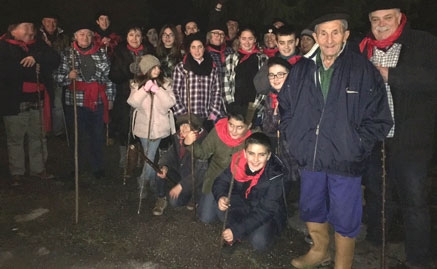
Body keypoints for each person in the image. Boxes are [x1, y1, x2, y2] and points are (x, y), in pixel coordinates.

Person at [278, 11, 393, 268]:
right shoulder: (301, 69)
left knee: (345, 214)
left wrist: (357, 145)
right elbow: (285, 106)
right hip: (311, 156)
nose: (329, 39)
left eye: (335, 32)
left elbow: (380, 118)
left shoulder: (362, 70)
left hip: (345, 159)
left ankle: (343, 262)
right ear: (315, 36)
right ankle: (320, 251)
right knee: (311, 206)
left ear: (346, 35)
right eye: (323, 33)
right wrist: (294, 136)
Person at [359, 3, 437, 268]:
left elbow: (431, 78)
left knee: (414, 201)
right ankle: (377, 240)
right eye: (375, 19)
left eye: (387, 18)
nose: (381, 24)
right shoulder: (364, 49)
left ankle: (418, 258)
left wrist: (389, 74)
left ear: (400, 18)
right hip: (376, 139)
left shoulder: (423, 42)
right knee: (378, 193)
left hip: (411, 141)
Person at [0, 19, 60, 185]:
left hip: (37, 99)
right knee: (16, 137)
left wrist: (36, 57)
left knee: (38, 136)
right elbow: (6, 71)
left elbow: (55, 58)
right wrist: (30, 66)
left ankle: (38, 168)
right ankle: (17, 172)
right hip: (14, 101)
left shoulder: (37, 45)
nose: (30, 31)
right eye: (25, 27)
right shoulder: (4, 46)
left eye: (32, 27)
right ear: (13, 30)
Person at [54, 24, 115, 179]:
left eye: (88, 35)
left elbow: (109, 79)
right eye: (81, 34)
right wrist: (68, 77)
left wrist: (110, 98)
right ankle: (77, 166)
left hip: (97, 101)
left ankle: (98, 167)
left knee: (97, 135)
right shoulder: (67, 54)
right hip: (76, 102)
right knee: (77, 136)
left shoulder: (101, 53)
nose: (85, 38)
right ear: (75, 36)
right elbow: (57, 77)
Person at [213, 132, 290, 251]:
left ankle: (242, 230)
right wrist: (221, 196)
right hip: (242, 204)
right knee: (220, 208)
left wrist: (237, 230)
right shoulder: (237, 162)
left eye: (261, 155)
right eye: (251, 153)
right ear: (245, 153)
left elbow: (266, 210)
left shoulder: (275, 176)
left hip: (263, 211)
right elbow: (220, 181)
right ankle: (240, 230)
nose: (255, 159)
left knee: (259, 242)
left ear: (269, 156)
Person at [183, 103, 253, 223]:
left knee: (227, 218)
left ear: (248, 126)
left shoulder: (252, 140)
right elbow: (203, 153)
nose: (234, 131)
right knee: (206, 218)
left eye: (240, 127)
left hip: (237, 184)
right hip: (215, 178)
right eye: (231, 125)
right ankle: (210, 201)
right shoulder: (219, 131)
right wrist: (189, 143)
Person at [127, 54, 176, 216]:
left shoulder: (165, 83)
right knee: (149, 155)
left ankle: (143, 182)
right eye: (153, 67)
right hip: (143, 127)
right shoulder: (136, 84)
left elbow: (169, 104)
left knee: (150, 154)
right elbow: (133, 103)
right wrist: (144, 89)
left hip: (160, 128)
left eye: (157, 67)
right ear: (145, 70)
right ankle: (149, 183)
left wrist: (158, 90)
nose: (157, 70)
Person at [109, 24, 150, 171]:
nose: (135, 38)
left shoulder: (147, 51)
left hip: (144, 97)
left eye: (138, 35)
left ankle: (140, 158)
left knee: (141, 127)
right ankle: (125, 160)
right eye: (131, 35)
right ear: (126, 37)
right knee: (125, 127)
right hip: (125, 96)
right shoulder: (119, 52)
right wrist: (128, 71)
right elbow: (113, 75)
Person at [156, 114, 208, 209]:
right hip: (181, 174)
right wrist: (164, 166)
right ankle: (161, 197)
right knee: (160, 171)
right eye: (181, 125)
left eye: (187, 125)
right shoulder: (178, 138)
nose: (183, 128)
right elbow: (170, 154)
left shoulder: (204, 141)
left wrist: (181, 186)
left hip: (195, 183)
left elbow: (199, 173)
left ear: (195, 129)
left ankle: (194, 198)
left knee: (175, 201)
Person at [172, 32, 222, 128]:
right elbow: (175, 92)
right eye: (193, 47)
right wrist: (183, 114)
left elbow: (216, 91)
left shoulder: (212, 68)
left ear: (204, 48)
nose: (197, 50)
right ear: (189, 49)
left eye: (200, 47)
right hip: (187, 116)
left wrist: (213, 113)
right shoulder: (181, 67)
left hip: (205, 116)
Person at [223, 26, 268, 125]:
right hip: (235, 104)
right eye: (243, 39)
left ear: (255, 40)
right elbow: (226, 82)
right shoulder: (231, 58)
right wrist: (230, 104)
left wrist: (256, 108)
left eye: (250, 39)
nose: (247, 42)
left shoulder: (264, 59)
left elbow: (265, 86)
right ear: (239, 39)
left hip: (254, 106)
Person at [37, 13, 70, 137]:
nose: (51, 25)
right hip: (40, 75)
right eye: (48, 21)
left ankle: (58, 131)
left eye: (54, 22)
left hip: (58, 74)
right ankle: (42, 129)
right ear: (43, 22)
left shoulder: (63, 37)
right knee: (41, 103)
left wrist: (51, 47)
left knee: (57, 104)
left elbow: (65, 54)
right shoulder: (37, 35)